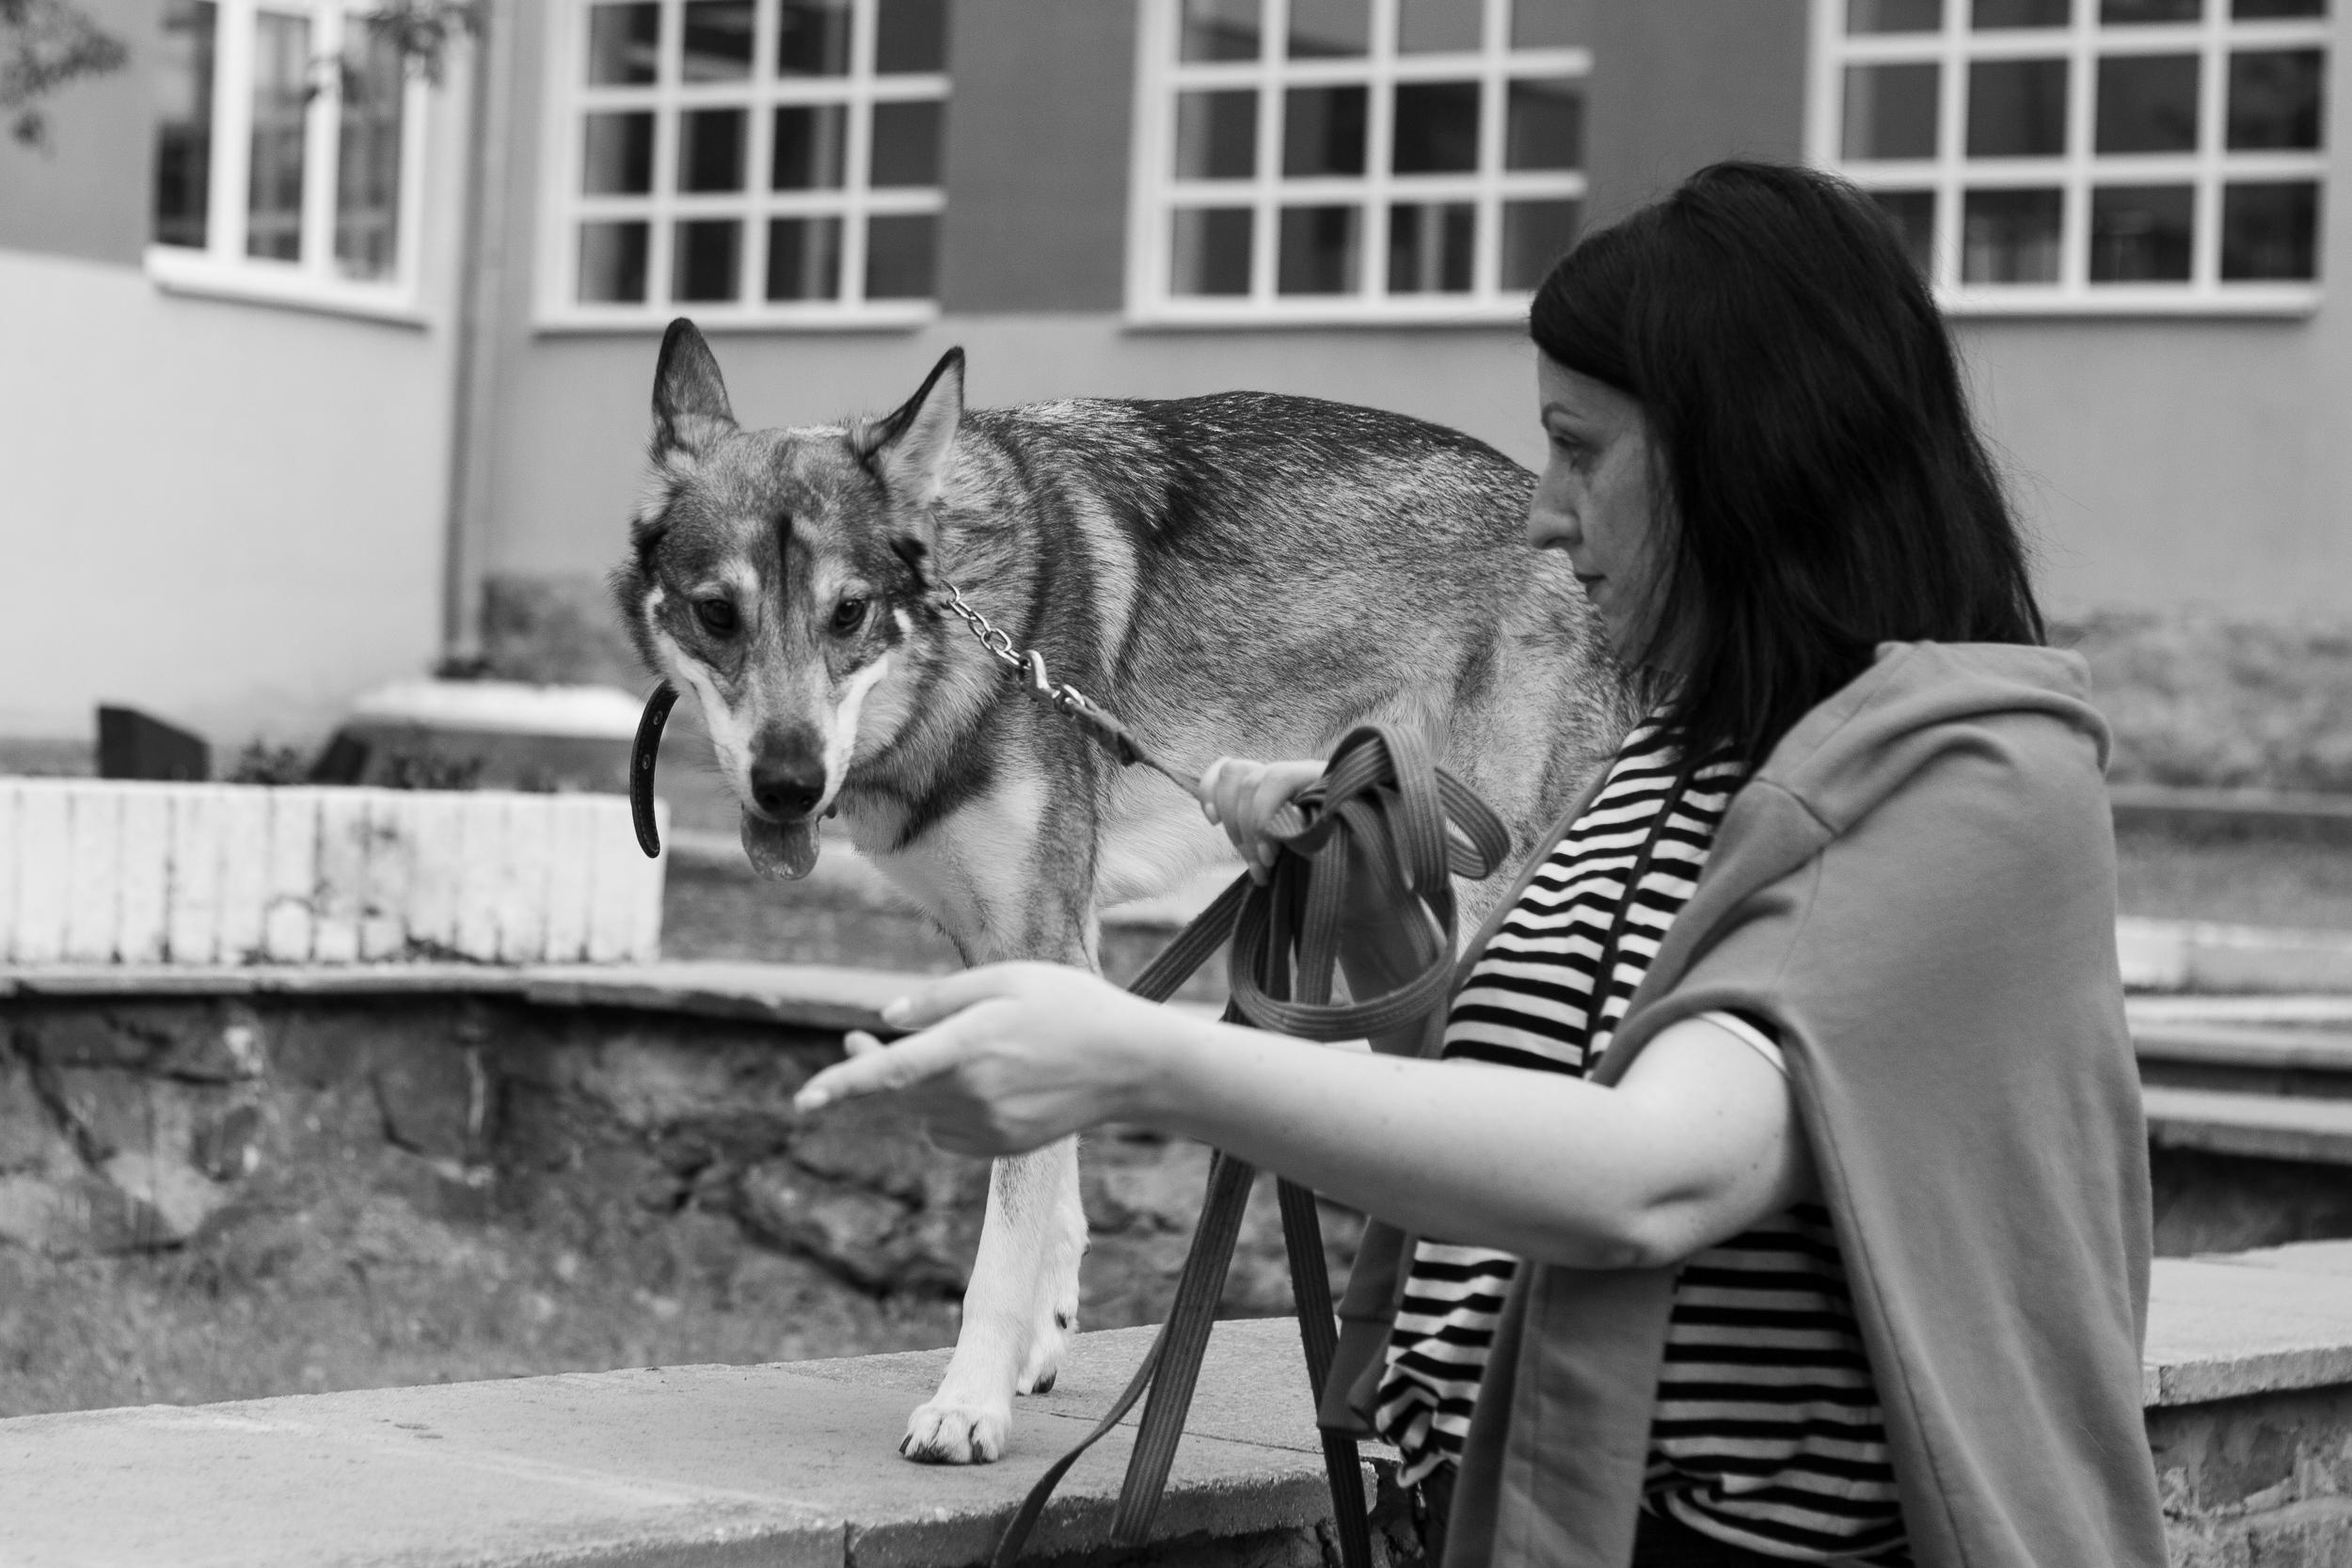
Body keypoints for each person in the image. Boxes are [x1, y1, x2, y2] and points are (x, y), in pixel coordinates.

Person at [791, 162, 2169, 1568]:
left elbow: (1654, 1174)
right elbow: (1537, 1103)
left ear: (1760, 461)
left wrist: (1145, 1059)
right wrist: (1370, 884)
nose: (1537, 514)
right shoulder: (1680, 761)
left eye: (1581, 450)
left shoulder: (1973, 784)